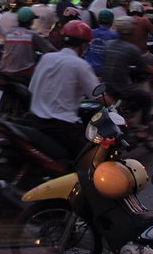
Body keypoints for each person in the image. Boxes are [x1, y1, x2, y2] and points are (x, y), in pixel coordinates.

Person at [27, 19, 103, 159]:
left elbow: (32, 89)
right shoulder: (80, 65)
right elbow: (99, 96)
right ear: (83, 44)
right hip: (62, 127)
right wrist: (115, 105)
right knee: (88, 160)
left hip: (36, 121)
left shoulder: (46, 58)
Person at [102, 16, 153, 134]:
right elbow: (145, 68)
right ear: (131, 31)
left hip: (106, 86)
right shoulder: (131, 49)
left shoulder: (108, 45)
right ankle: (142, 129)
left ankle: (129, 119)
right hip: (122, 88)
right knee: (147, 99)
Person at [0, 7, 54, 78]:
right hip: (25, 73)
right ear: (30, 21)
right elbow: (50, 49)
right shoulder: (31, 35)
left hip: (5, 71)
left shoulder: (9, 33)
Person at [84, 9, 118, 76]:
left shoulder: (90, 32)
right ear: (111, 22)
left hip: (88, 69)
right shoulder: (114, 36)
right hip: (104, 72)